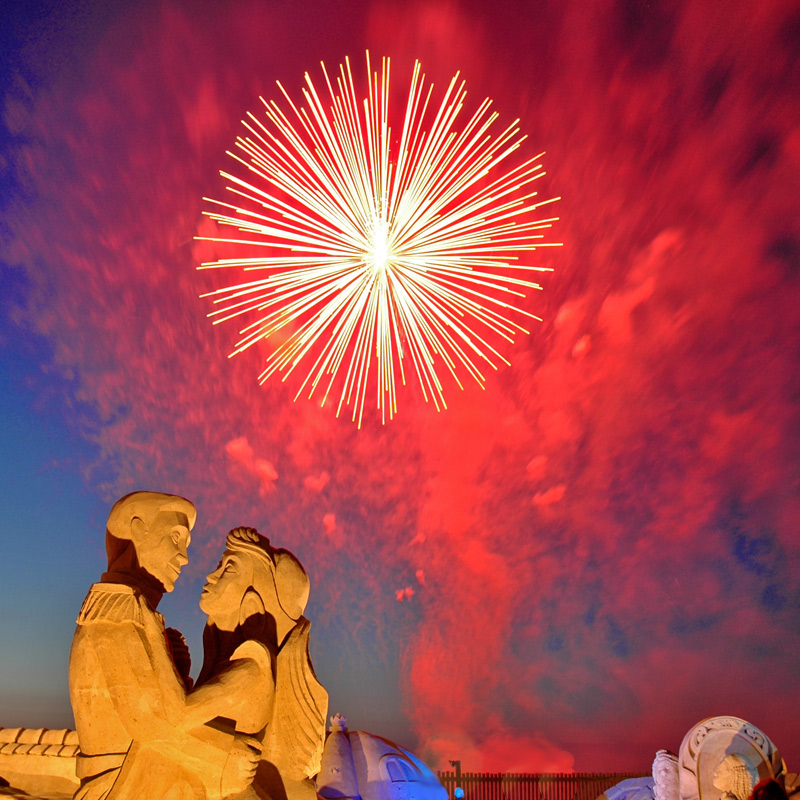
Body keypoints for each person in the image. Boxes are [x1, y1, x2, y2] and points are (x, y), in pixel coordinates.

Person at [69, 492, 261, 800]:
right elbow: (152, 724)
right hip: (123, 786)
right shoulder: (114, 614)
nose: (184, 557)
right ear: (138, 529)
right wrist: (225, 756)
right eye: (176, 537)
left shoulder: (135, 612)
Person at [194, 527, 327, 800]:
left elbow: (173, 720)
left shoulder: (250, 669)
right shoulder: (236, 665)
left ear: (255, 601)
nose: (211, 576)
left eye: (228, 569)